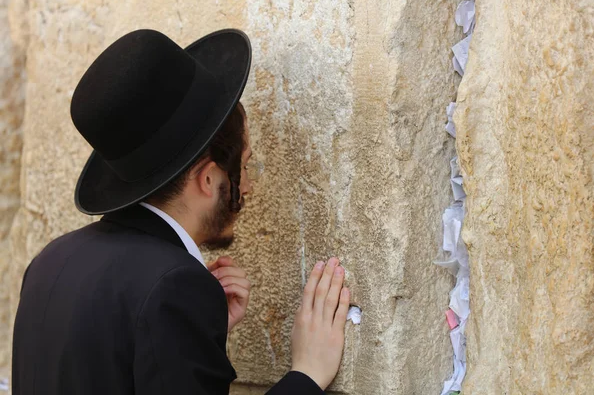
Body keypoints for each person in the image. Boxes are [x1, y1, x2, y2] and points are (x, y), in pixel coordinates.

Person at [11, 29, 350, 394]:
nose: (249, 185)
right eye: (246, 166)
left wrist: (192, 331)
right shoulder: (174, 285)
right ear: (208, 178)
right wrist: (307, 375)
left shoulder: (51, 261)